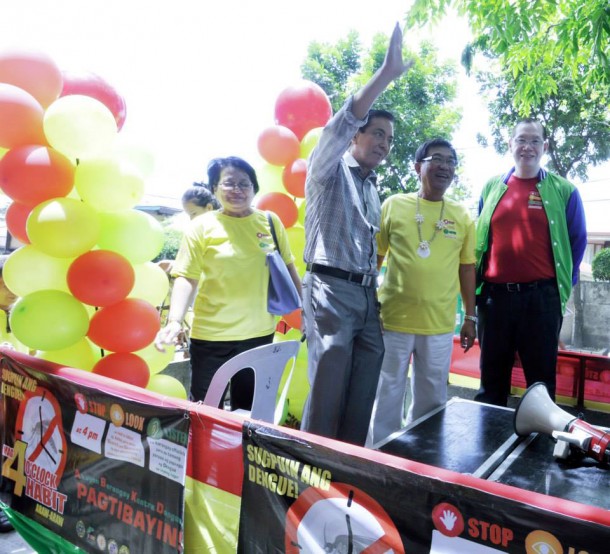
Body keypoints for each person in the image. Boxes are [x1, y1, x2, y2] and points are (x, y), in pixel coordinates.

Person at [300, 23, 413, 446]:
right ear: (355, 138)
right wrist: (385, 74)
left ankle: (348, 468)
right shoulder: (328, 168)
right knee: (328, 386)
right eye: (376, 133)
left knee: (364, 384)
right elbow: (342, 122)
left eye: (390, 138)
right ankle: (312, 475)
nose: (384, 143)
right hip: (330, 288)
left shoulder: (370, 186)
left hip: (367, 297)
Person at [155, 156, 302, 408]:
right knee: (205, 410)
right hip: (211, 337)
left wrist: (305, 309)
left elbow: (288, 267)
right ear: (214, 189)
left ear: (254, 188)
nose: (237, 190)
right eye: (229, 183)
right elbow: (186, 277)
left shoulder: (269, 222)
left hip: (259, 335)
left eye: (244, 184)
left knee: (248, 411)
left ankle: (240, 449)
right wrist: (175, 321)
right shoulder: (201, 226)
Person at [366, 139, 476, 445]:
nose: (445, 166)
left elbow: (467, 268)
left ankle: (424, 458)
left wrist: (470, 316)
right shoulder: (393, 205)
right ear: (418, 167)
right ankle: (380, 455)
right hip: (392, 320)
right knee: (386, 393)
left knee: (432, 398)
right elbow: (374, 259)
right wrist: (366, 305)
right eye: (437, 159)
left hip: (438, 325)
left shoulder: (462, 215)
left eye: (451, 161)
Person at [474, 118, 587, 406]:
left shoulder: (564, 191)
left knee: (540, 385)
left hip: (541, 300)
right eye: (521, 140)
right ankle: (489, 443)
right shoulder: (491, 187)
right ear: (510, 144)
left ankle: (539, 446)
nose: (528, 146)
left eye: (535, 140)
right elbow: (481, 240)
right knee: (491, 383)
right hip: (494, 301)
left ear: (544, 146)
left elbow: (577, 242)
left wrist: (558, 291)